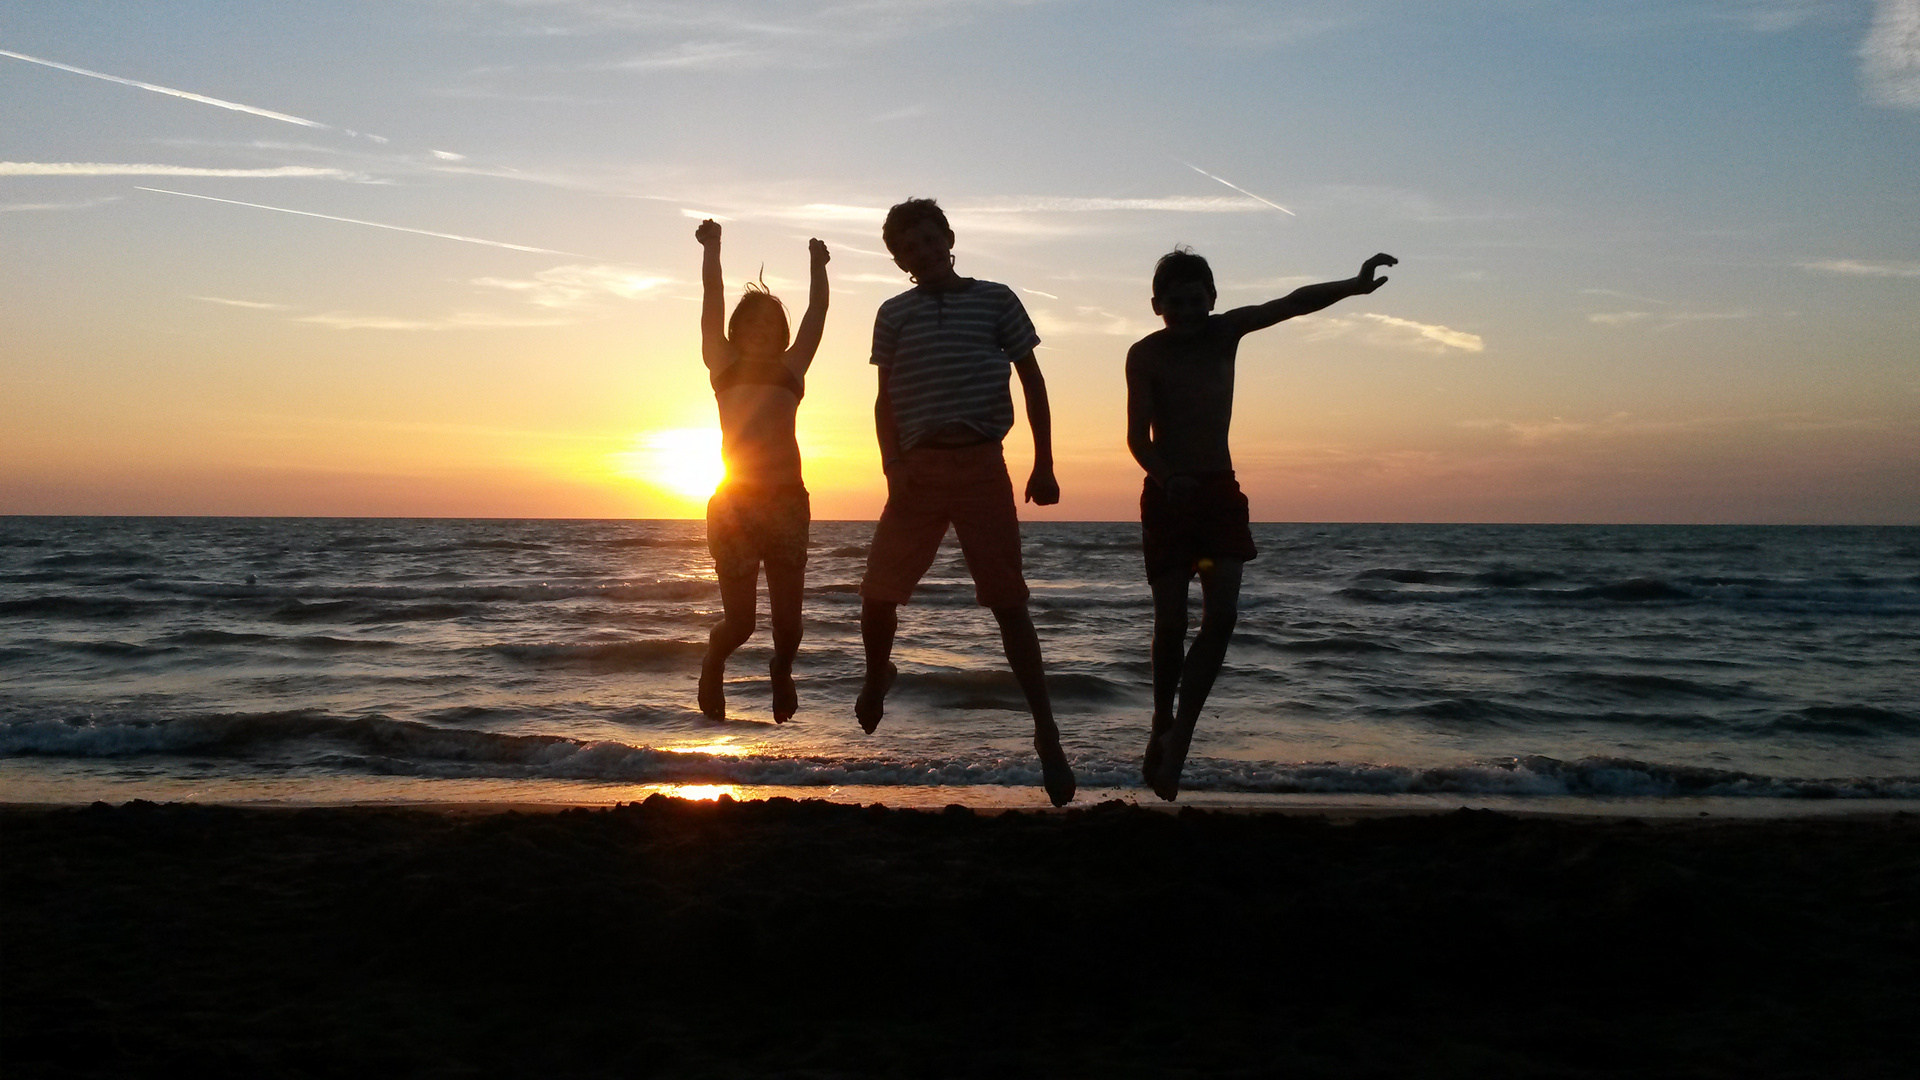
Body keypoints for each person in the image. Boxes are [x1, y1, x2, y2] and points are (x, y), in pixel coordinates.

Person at [1128, 246, 1398, 800]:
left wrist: (1353, 283)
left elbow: (1293, 303)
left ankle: (1180, 738)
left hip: (1220, 491)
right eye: (1174, 302)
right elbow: (1136, 436)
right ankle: (1161, 720)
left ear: (1212, 299)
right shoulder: (1145, 355)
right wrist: (1164, 476)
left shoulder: (1227, 331)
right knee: (1172, 624)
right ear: (1156, 305)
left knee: (1221, 616)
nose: (1186, 310)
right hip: (1168, 496)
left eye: (1195, 300)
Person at [855, 197, 1075, 806]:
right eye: (908, 248)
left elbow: (1032, 379)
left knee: (1010, 606)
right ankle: (878, 677)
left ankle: (1047, 734)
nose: (921, 254)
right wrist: (892, 464)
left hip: (983, 465)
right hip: (917, 471)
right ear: (898, 259)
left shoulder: (996, 299)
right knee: (877, 597)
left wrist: (1046, 462)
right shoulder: (892, 314)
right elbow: (885, 401)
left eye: (929, 241)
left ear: (948, 238)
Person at [694, 219, 829, 723]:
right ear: (736, 331)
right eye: (749, 324)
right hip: (734, 505)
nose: (758, 333)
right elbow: (711, 301)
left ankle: (783, 670)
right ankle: (713, 661)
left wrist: (818, 268)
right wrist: (713, 248)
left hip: (787, 502)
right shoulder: (722, 364)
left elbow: (817, 315)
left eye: (768, 326)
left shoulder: (792, 369)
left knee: (789, 625)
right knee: (742, 622)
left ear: (780, 336)